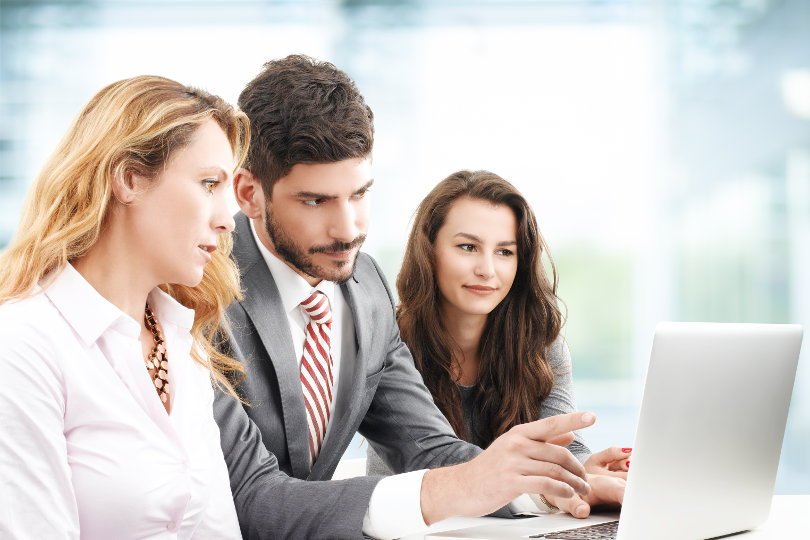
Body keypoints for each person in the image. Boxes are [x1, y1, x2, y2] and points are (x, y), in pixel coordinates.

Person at [214, 54, 595, 540]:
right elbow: (252, 499)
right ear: (248, 193)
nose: (348, 230)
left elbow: (429, 449)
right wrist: (449, 491)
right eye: (315, 201)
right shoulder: (203, 293)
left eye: (359, 194)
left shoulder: (366, 286)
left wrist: (552, 485)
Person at [0, 75, 249, 538]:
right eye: (209, 183)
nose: (227, 217)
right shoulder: (22, 347)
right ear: (129, 179)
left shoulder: (181, 345)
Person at [366, 169, 629, 518]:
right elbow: (411, 480)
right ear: (428, 251)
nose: (487, 269)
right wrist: (547, 486)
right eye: (467, 247)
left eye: (505, 252)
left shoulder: (541, 344)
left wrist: (584, 473)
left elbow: (567, 447)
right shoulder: (390, 345)